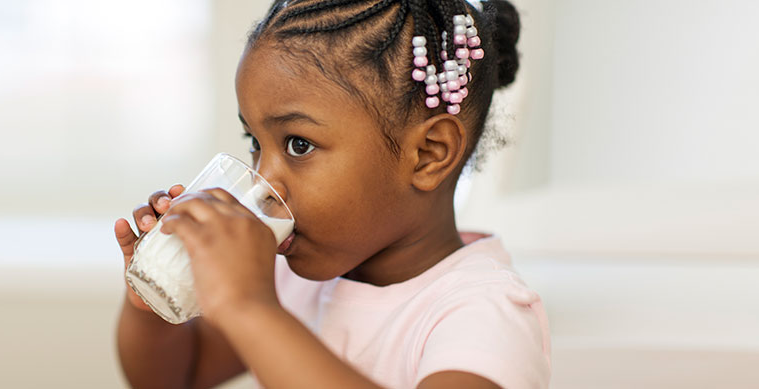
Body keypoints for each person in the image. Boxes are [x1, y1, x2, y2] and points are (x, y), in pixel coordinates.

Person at [114, 0, 550, 387]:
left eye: (298, 145)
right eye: (255, 142)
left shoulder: (483, 315)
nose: (263, 184)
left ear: (427, 155)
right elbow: (179, 375)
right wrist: (152, 307)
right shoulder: (292, 277)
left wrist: (250, 306)